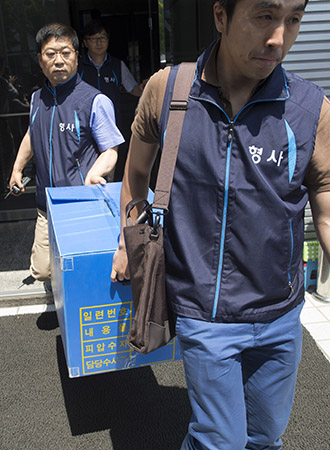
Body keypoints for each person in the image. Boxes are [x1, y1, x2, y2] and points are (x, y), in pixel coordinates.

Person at [111, 1, 330, 449]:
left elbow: (326, 201)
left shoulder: (310, 109)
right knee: (220, 441)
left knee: (265, 438)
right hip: (204, 313)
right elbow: (134, 176)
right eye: (264, 16)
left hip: (280, 314)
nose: (278, 37)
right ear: (220, 16)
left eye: (293, 20)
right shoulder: (169, 90)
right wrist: (126, 241)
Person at [9, 23, 124, 287]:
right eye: (50, 54)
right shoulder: (37, 98)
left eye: (65, 53)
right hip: (46, 204)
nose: (58, 60)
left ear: (76, 55)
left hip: (79, 203)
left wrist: (96, 172)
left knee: (82, 269)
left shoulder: (95, 100)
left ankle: (73, 311)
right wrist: (17, 168)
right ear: (40, 60)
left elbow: (111, 149)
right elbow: (31, 134)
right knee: (42, 271)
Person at [78, 19, 146, 126]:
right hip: (85, 123)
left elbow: (133, 89)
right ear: (85, 42)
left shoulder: (117, 65)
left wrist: (150, 87)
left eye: (102, 38)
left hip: (111, 123)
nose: (99, 42)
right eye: (94, 38)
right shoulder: (77, 67)